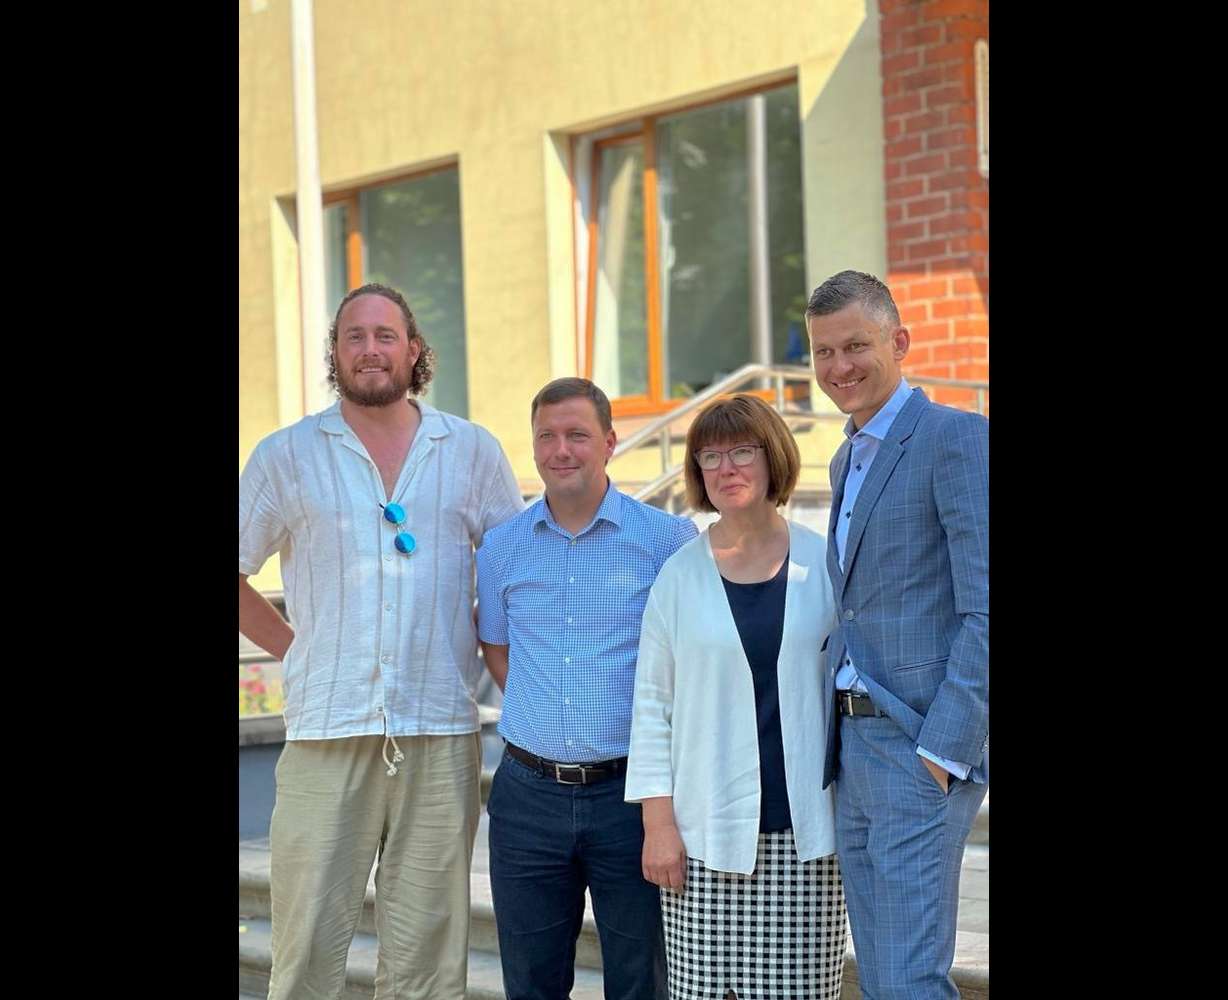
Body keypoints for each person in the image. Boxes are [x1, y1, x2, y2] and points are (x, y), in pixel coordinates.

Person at [238, 282, 524, 1000]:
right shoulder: (287, 455)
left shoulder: (471, 450)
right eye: (354, 336)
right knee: (305, 950)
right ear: (335, 353)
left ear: (415, 349)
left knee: (429, 956)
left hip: (440, 727)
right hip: (326, 730)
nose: (371, 349)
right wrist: (295, 649)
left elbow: (517, 573)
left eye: (385, 335)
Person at [476, 377, 697, 1000]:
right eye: (547, 436)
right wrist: (544, 710)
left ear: (609, 441)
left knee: (641, 982)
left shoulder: (667, 542)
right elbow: (496, 644)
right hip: (526, 799)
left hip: (632, 801)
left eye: (577, 434)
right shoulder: (501, 548)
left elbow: (689, 661)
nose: (561, 449)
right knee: (532, 982)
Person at [625, 393, 847, 1000]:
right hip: (705, 839)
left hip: (806, 838)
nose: (726, 468)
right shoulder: (679, 575)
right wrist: (658, 824)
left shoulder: (823, 562)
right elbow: (651, 708)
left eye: (741, 452)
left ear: (771, 457)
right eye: (709, 457)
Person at [806, 270, 989, 1000]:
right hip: (852, 751)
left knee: (910, 980)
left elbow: (985, 607)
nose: (839, 367)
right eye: (823, 352)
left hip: (918, 747)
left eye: (856, 345)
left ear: (900, 342)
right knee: (881, 978)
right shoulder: (846, 456)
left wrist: (944, 750)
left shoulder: (956, 438)